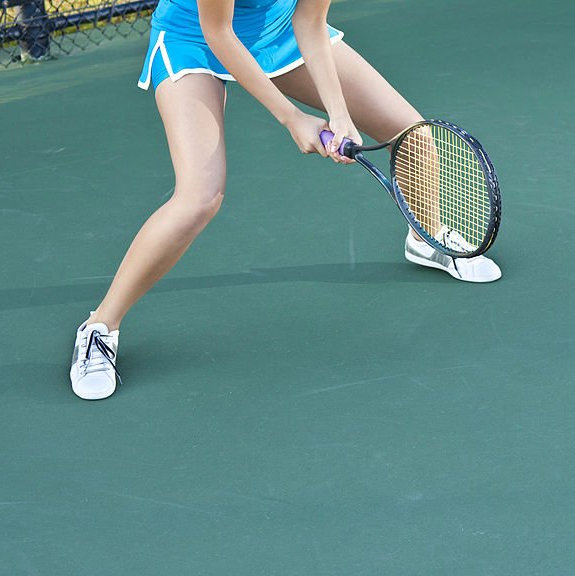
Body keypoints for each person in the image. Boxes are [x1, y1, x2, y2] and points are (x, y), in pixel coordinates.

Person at [69, 0, 501, 400]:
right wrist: (292, 118)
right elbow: (218, 33)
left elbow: (310, 23)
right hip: (194, 41)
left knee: (415, 135)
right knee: (199, 198)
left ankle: (426, 237)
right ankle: (100, 326)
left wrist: (339, 114)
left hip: (280, 34)